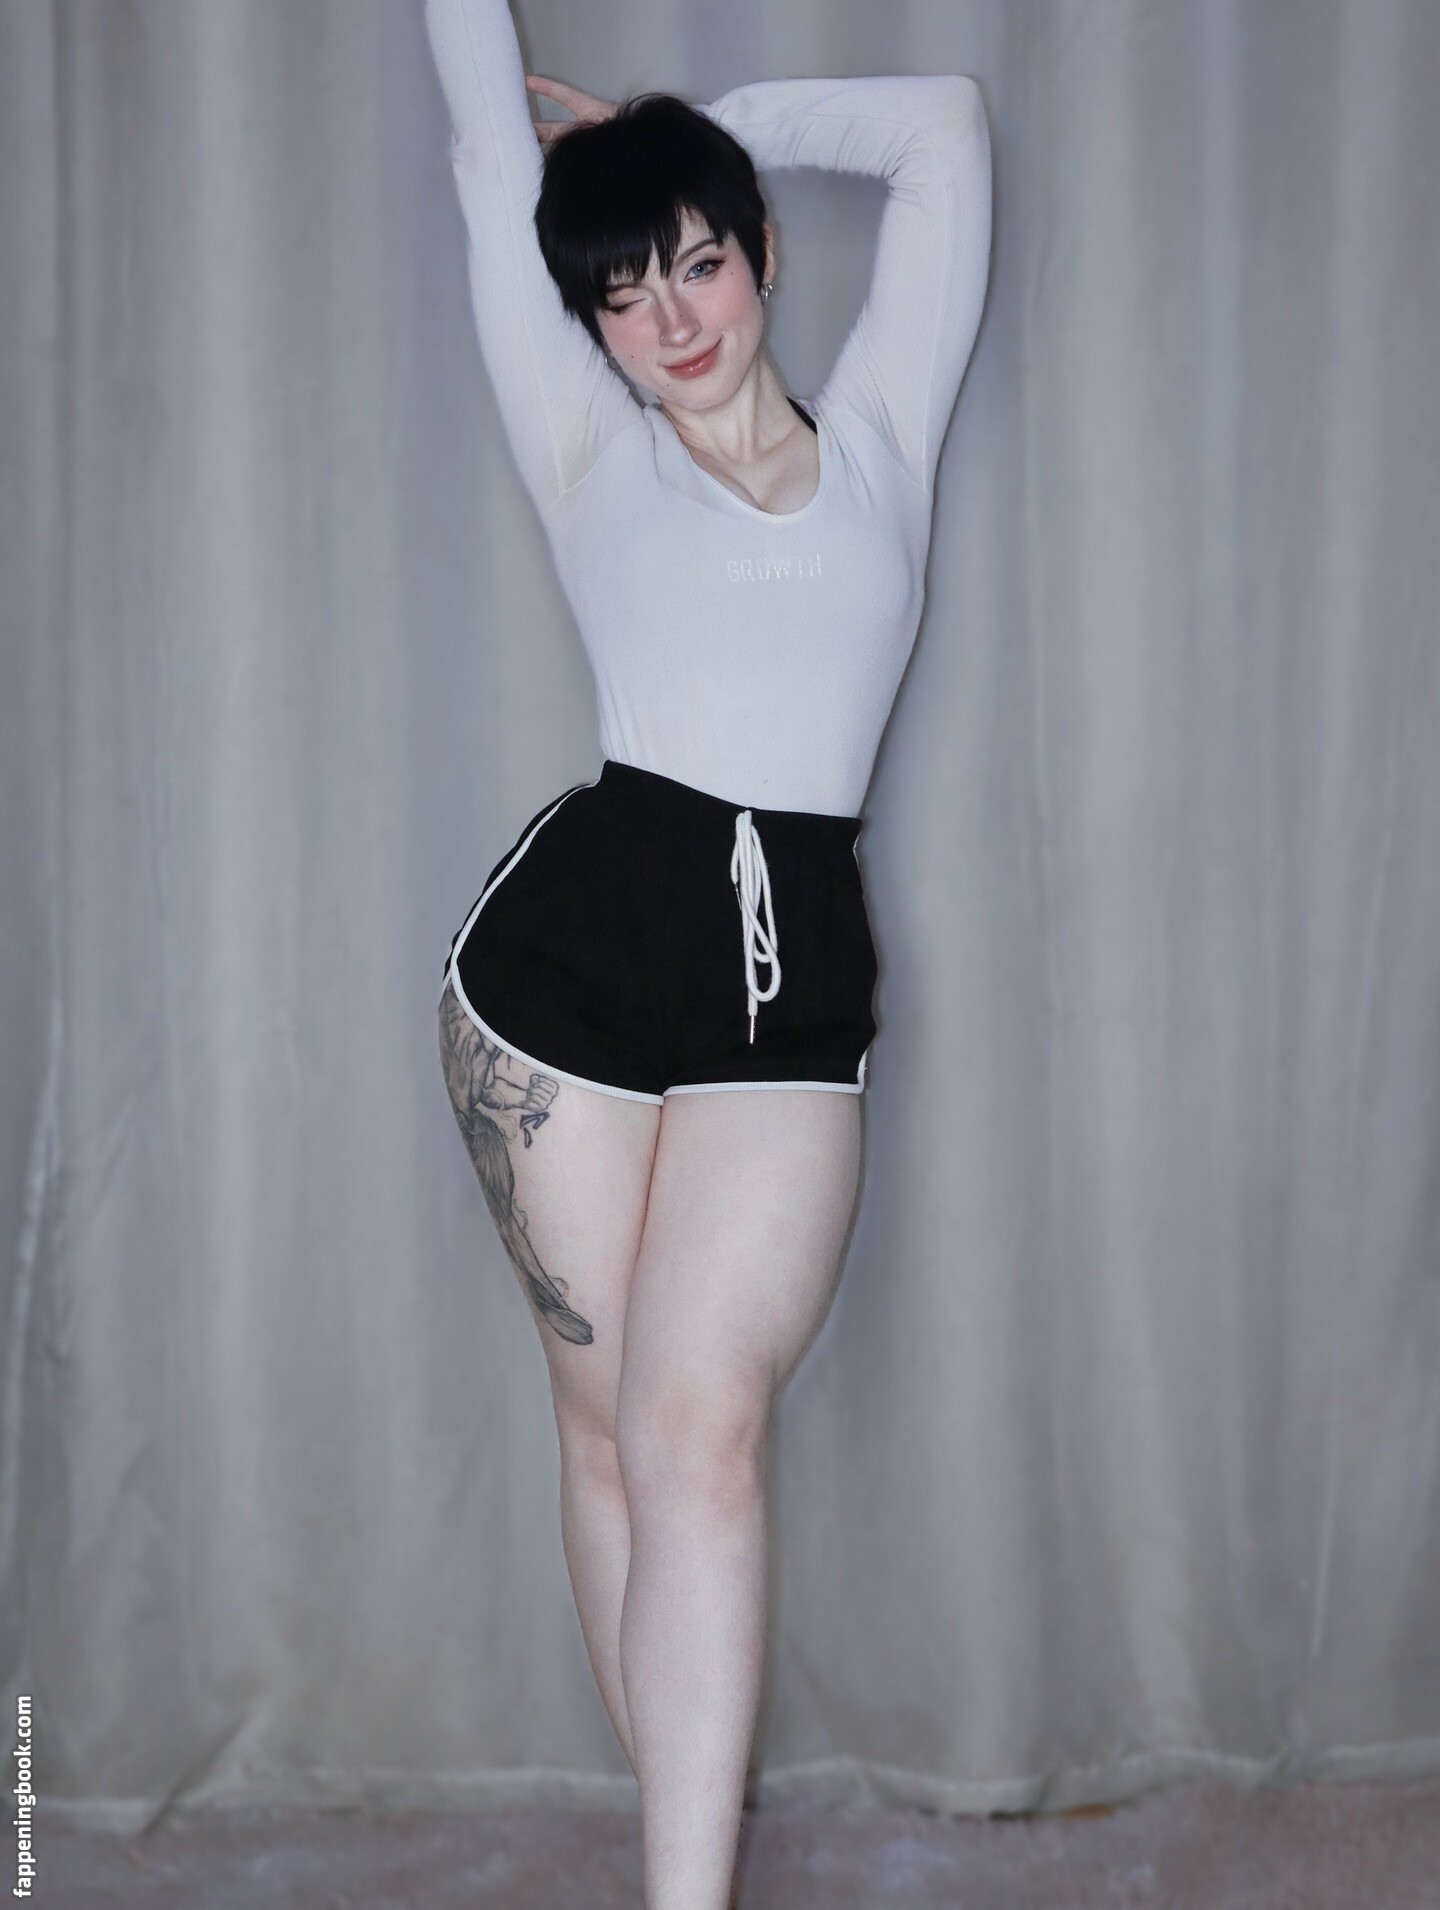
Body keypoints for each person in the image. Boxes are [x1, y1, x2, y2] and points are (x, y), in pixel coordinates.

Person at [423, 0, 992, 1902]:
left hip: (785, 989)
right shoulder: (592, 454)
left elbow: (944, 129)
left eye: (698, 260)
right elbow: (477, 143)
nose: (669, 318)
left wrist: (692, 126)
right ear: (586, 330)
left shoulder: (885, 435)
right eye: (623, 292)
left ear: (757, 253)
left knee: (699, 1429)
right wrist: (558, 150)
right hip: (561, 986)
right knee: (611, 1434)